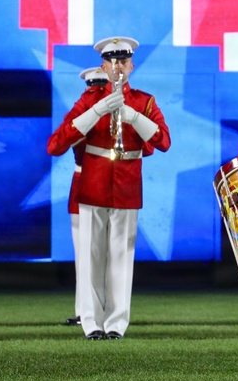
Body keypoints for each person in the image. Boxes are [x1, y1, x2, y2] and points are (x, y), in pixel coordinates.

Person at [47, 36, 170, 340]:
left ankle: (116, 324)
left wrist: (132, 116)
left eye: (122, 62)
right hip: (94, 183)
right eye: (111, 62)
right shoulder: (89, 99)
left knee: (121, 257)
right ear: (103, 66)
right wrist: (97, 111)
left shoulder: (144, 101)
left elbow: (163, 142)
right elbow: (56, 143)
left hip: (127, 184)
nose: (116, 67)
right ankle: (91, 323)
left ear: (131, 66)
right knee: (91, 256)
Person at [62, 67, 111, 327]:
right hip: (85, 181)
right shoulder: (83, 115)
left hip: (100, 181)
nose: (93, 92)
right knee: (86, 253)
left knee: (98, 253)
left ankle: (95, 310)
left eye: (97, 87)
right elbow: (66, 139)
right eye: (91, 88)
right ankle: (87, 310)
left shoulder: (83, 112)